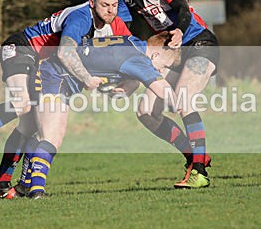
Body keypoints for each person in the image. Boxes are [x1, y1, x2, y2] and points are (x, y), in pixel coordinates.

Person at [0, 0, 130, 199]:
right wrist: (87, 79)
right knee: (22, 104)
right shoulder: (81, 17)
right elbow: (65, 53)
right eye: (105, 5)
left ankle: (1, 184)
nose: (111, 10)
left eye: (114, 5)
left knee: (29, 125)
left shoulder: (108, 21)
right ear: (92, 3)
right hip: (20, 48)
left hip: (36, 61)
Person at [108, 0, 220, 189]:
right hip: (169, 50)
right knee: (146, 111)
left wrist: (180, 30)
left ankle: (200, 173)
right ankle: (194, 156)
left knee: (183, 98)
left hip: (198, 42)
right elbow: (123, 32)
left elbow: (182, 8)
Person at [14, 32, 181, 199]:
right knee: (52, 136)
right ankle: (36, 191)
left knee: (41, 135)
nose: (161, 70)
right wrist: (180, 107)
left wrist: (125, 85)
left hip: (48, 71)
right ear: (156, 54)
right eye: (164, 65)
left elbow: (112, 63)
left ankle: (24, 185)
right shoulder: (139, 59)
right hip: (53, 76)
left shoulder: (132, 42)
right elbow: (163, 90)